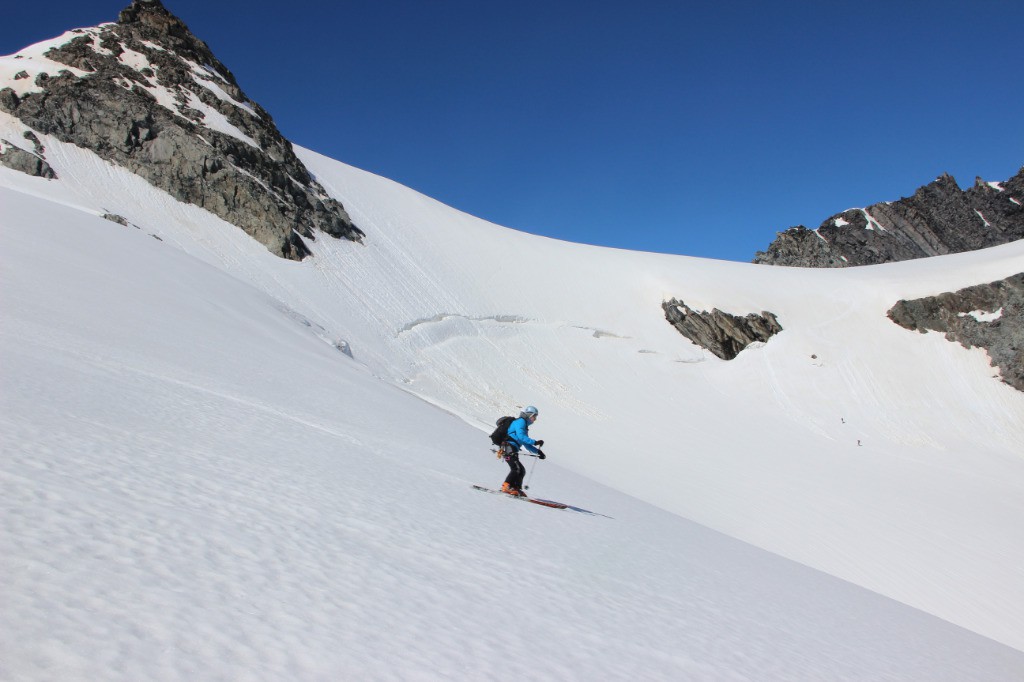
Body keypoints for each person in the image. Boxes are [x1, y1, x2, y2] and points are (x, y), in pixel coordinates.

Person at [500, 405, 545, 496]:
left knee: (521, 470)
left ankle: (516, 488)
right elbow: (522, 437)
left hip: (512, 448)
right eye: (534, 416)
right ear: (528, 415)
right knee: (516, 468)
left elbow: (526, 443)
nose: (535, 419)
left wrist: (538, 452)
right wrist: (535, 442)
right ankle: (506, 486)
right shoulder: (520, 422)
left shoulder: (524, 425)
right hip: (508, 447)